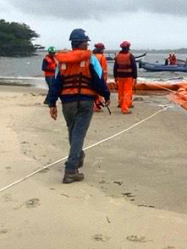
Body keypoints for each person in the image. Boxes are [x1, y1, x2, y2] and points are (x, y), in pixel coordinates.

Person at [45, 29, 111, 183]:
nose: (87, 44)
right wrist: (106, 95)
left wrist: (52, 103)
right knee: (79, 133)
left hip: (67, 102)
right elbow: (98, 80)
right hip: (85, 102)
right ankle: (71, 169)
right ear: (82, 43)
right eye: (86, 42)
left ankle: (78, 156)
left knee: (73, 130)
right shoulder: (91, 59)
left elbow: (55, 84)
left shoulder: (62, 62)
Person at [113, 40, 138, 114]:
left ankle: (121, 104)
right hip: (128, 77)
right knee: (127, 92)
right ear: (128, 47)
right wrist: (135, 77)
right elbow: (134, 67)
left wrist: (115, 76)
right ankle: (125, 108)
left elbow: (115, 67)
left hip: (120, 77)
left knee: (120, 91)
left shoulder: (118, 56)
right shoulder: (130, 56)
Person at [92, 42, 108, 112]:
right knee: (99, 93)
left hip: (92, 77)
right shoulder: (102, 57)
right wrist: (104, 78)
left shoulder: (92, 56)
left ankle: (94, 106)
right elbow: (104, 69)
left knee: (93, 92)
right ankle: (97, 106)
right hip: (99, 76)